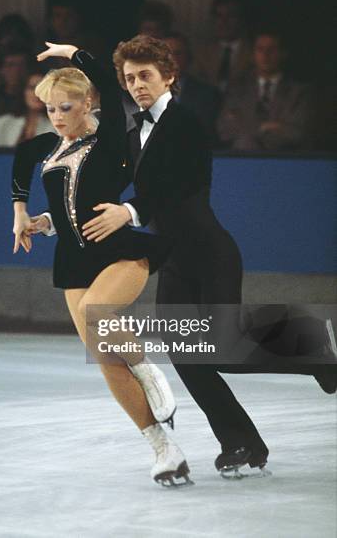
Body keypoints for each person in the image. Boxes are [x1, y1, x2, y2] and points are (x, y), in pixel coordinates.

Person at [80, 35, 336, 478]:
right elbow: (109, 182)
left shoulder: (188, 123)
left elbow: (177, 186)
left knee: (221, 349)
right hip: (175, 260)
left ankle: (315, 348)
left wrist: (130, 211)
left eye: (146, 75)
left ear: (169, 77)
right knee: (188, 357)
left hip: (209, 253)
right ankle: (241, 443)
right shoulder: (133, 133)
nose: (137, 84)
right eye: (129, 78)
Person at [11, 42, 192, 487]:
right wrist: (30, 216)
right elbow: (24, 162)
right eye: (50, 108)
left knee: (99, 313)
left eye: (64, 107)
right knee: (104, 354)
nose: (56, 117)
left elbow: (114, 94)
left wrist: (75, 53)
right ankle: (163, 447)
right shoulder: (50, 149)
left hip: (118, 250)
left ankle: (148, 369)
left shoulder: (110, 135)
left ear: (87, 103)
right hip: (73, 260)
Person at [216, 29, 313, 151]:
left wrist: (247, 124)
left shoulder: (298, 92)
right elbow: (224, 129)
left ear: (283, 53)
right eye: (260, 49)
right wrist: (267, 127)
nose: (265, 55)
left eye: (271, 49)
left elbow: (297, 133)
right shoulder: (236, 90)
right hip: (243, 160)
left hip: (284, 160)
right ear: (252, 54)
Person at [162, 31, 221, 139]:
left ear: (188, 57)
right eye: (167, 55)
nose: (172, 59)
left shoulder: (207, 94)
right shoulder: (142, 92)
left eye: (177, 53)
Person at [194, 0, 253, 92]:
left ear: (242, 18)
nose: (223, 22)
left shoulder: (254, 51)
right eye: (219, 16)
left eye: (231, 16)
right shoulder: (201, 53)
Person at [0, 70, 55, 147]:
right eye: (32, 88)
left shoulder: (59, 125)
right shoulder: (4, 122)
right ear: (23, 92)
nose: (37, 94)